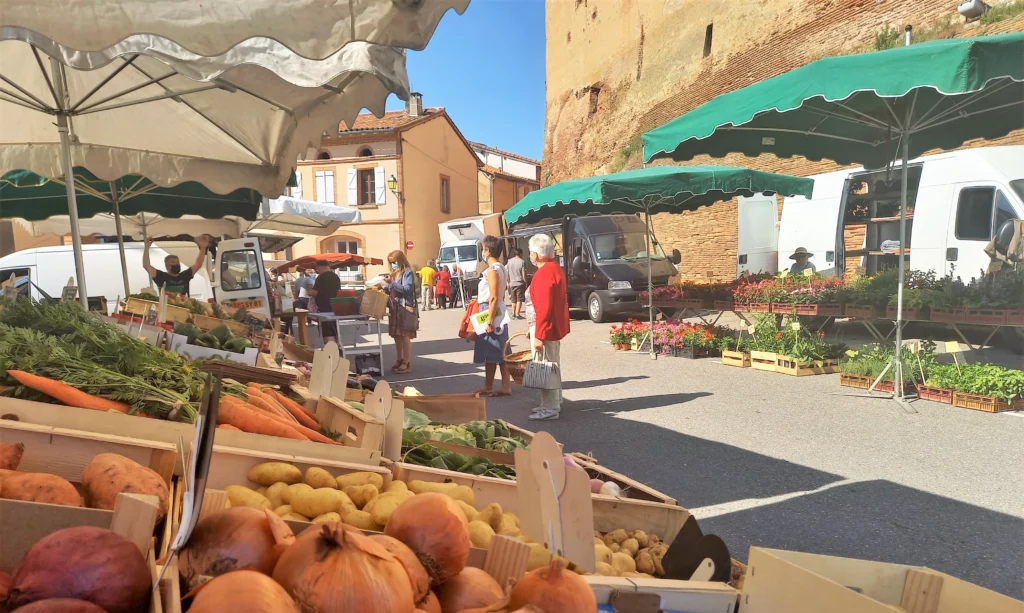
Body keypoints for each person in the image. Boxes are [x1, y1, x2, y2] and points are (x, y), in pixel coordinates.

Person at [527, 233, 570, 421]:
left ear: (536, 254)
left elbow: (544, 307)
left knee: (545, 367)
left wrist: (539, 335)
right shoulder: (555, 269)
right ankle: (553, 402)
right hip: (553, 325)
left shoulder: (543, 273)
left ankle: (550, 408)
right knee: (552, 365)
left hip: (545, 326)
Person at [474, 236, 512, 397]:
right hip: (495, 309)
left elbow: (494, 297)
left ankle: (497, 385)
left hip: (492, 310)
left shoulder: (493, 270)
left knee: (494, 349)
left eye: (483, 248)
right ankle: (496, 385)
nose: (481, 251)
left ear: (487, 251)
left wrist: (489, 320)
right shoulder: (500, 267)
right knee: (498, 349)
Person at [143, 235, 208, 297]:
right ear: (167, 265)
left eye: (178, 262)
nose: (177, 264)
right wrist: (146, 248)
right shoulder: (161, 276)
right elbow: (146, 265)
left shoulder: (185, 275)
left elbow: (198, 264)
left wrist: (203, 248)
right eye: (174, 263)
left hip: (183, 306)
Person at [385, 250, 417, 373]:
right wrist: (386, 286)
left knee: (404, 336)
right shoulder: (394, 274)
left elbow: (407, 289)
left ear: (400, 260)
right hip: (394, 307)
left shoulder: (407, 273)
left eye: (394, 262)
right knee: (396, 335)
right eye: (390, 262)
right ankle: (399, 359)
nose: (392, 264)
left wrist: (392, 283)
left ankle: (407, 361)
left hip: (405, 307)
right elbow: (391, 290)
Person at [308, 260, 341, 344]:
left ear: (319, 267)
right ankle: (337, 347)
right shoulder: (335, 277)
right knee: (334, 329)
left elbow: (314, 292)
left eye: (317, 268)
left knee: (327, 331)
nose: (317, 270)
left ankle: (330, 350)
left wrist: (310, 290)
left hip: (324, 307)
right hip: (335, 306)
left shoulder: (321, 277)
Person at [506, 248, 526, 319]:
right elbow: (523, 274)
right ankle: (517, 314)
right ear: (520, 254)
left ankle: (513, 314)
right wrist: (525, 283)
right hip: (519, 283)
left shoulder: (509, 261)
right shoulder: (522, 262)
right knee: (519, 299)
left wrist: (508, 281)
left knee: (513, 300)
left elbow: (507, 273)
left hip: (512, 283)